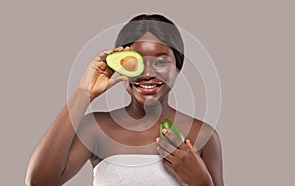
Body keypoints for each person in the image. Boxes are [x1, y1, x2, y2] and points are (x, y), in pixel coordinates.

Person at [25, 14, 223, 186]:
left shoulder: (203, 135)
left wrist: (201, 182)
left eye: (161, 62)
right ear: (120, 65)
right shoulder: (95, 128)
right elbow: (39, 182)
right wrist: (83, 93)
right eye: (134, 61)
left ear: (177, 68)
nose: (147, 73)